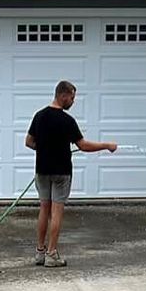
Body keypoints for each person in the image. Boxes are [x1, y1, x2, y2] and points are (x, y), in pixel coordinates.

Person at [25, 81, 117, 268]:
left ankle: (40, 252)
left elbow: (28, 142)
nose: (73, 101)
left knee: (44, 209)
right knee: (56, 211)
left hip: (42, 171)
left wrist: (44, 150)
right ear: (63, 95)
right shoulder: (67, 121)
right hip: (61, 173)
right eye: (72, 97)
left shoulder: (39, 116)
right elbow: (83, 145)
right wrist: (106, 145)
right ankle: (52, 254)